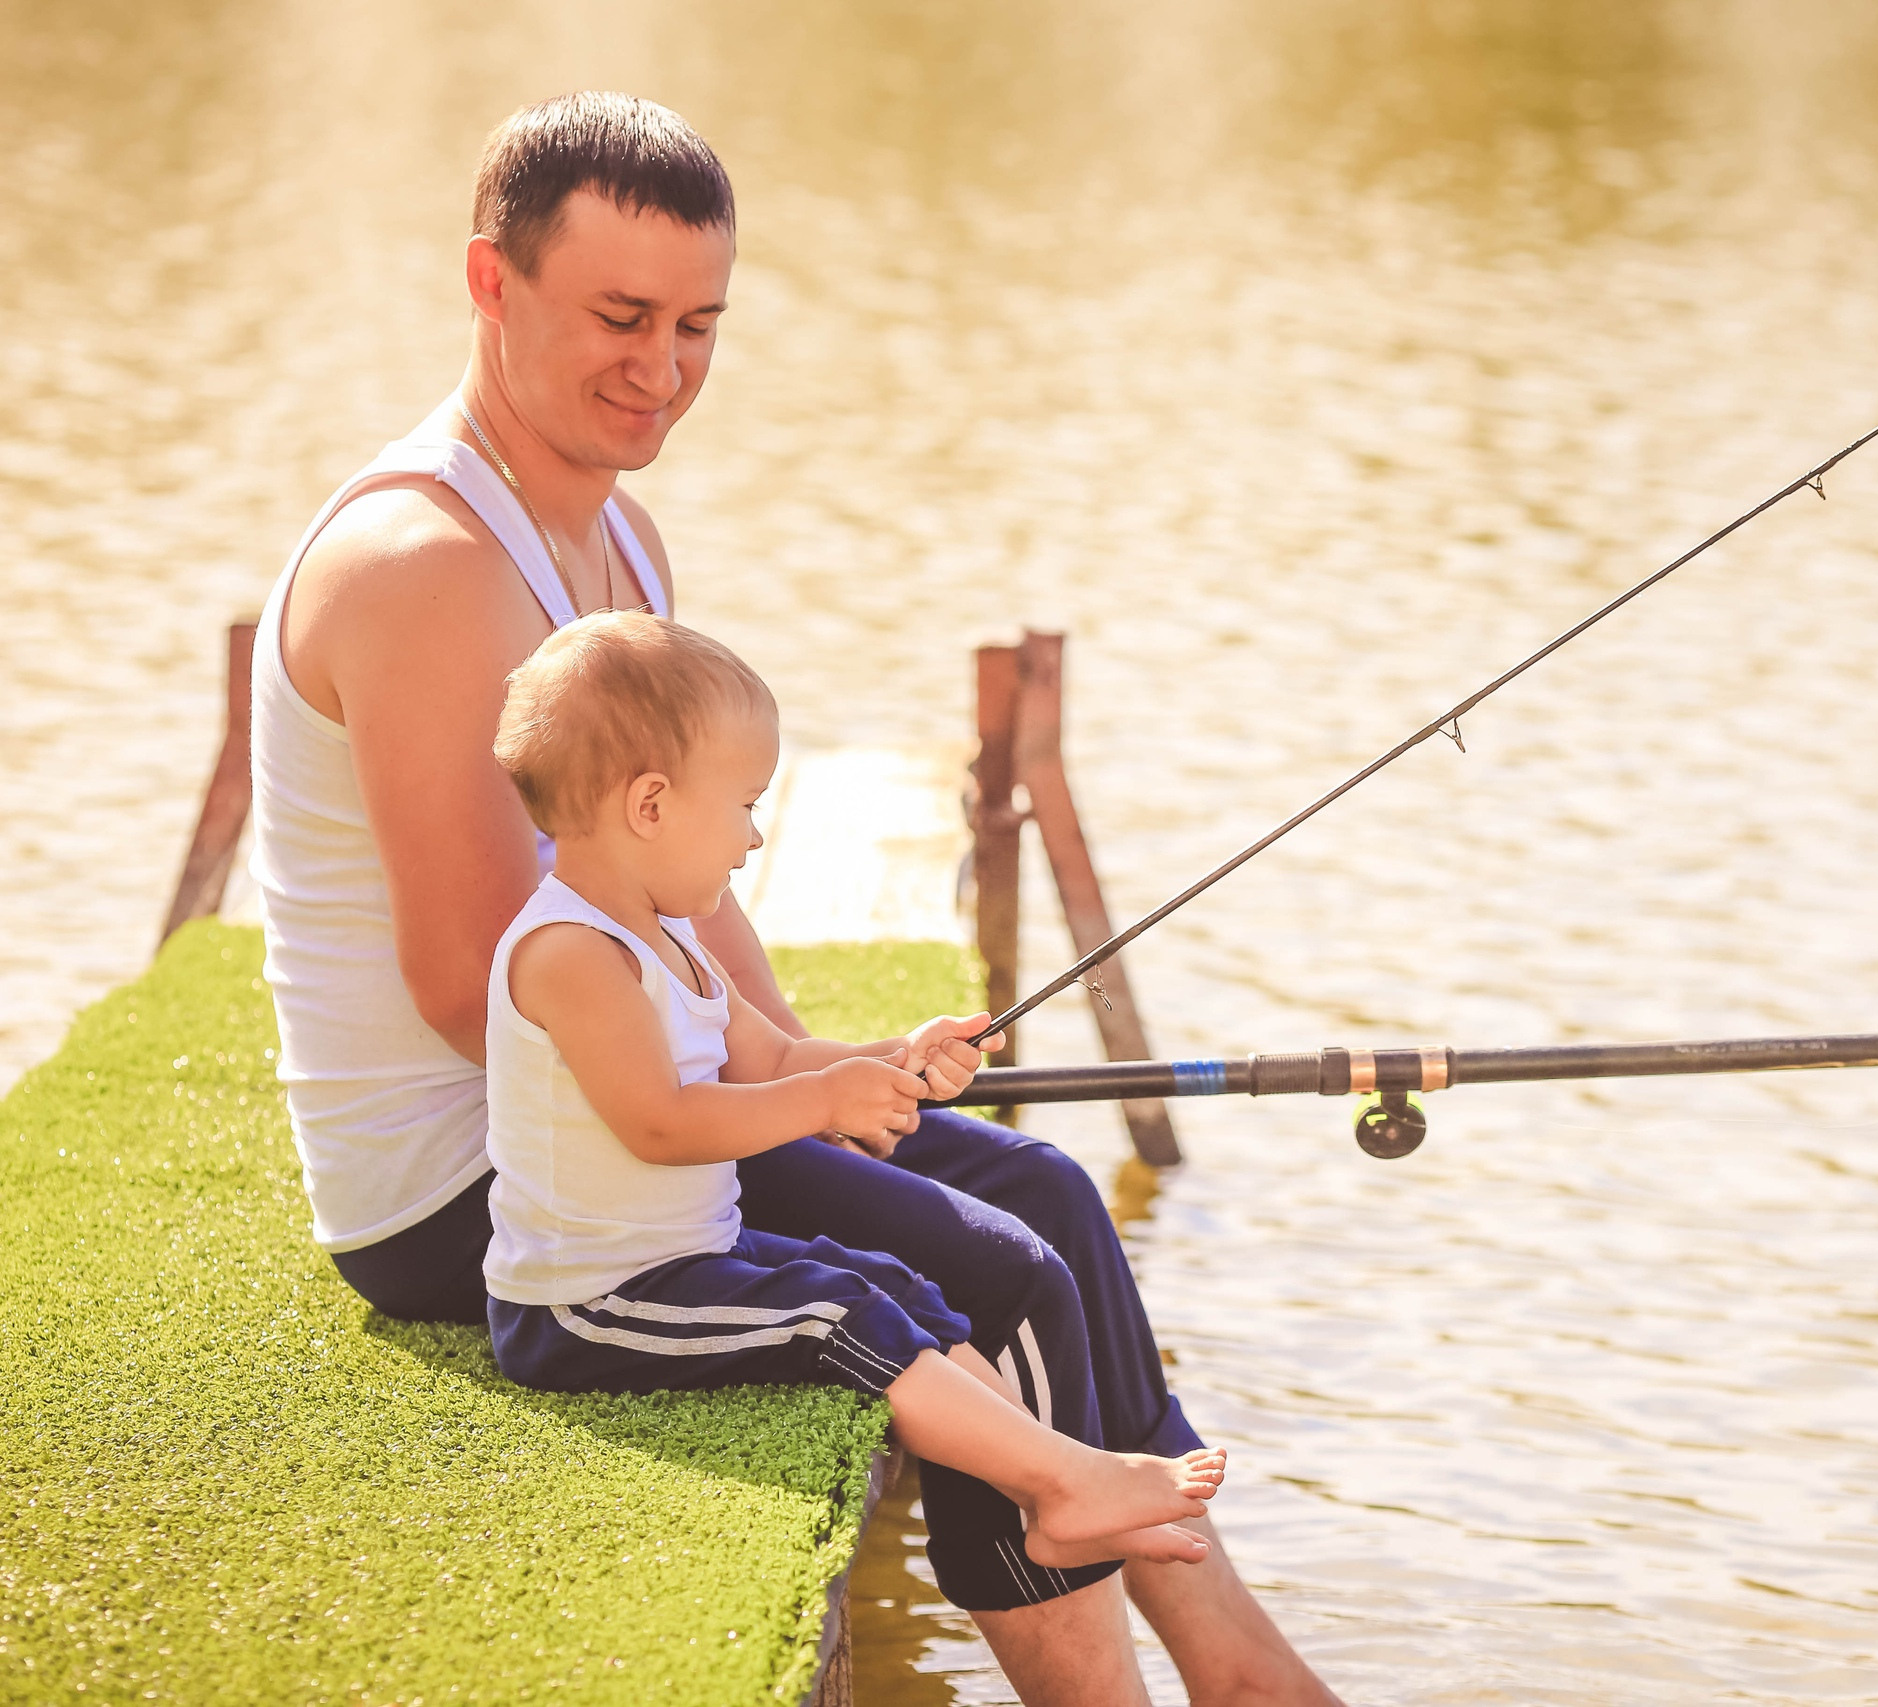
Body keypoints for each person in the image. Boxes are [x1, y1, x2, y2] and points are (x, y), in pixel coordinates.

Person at [249, 89, 1342, 1705]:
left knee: (1043, 1198)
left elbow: (671, 889)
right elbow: (476, 983)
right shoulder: (419, 569)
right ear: (491, 284)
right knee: (999, 1267)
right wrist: (766, 1106)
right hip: (478, 1191)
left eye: (700, 325)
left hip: (615, 1110)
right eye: (620, 316)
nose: (663, 369)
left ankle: (1232, 1651)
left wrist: (813, 1067)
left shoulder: (620, 541)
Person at [480, 611, 1226, 1573]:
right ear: (651, 806)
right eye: (745, 805)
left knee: (891, 1285)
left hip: (684, 1257)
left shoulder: (675, 939)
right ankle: (1061, 1484)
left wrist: (890, 1060)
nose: (754, 837)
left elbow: (771, 1062)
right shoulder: (572, 953)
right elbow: (661, 1124)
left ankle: (1059, 1476)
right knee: (843, 1314)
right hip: (591, 1302)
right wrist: (826, 1103)